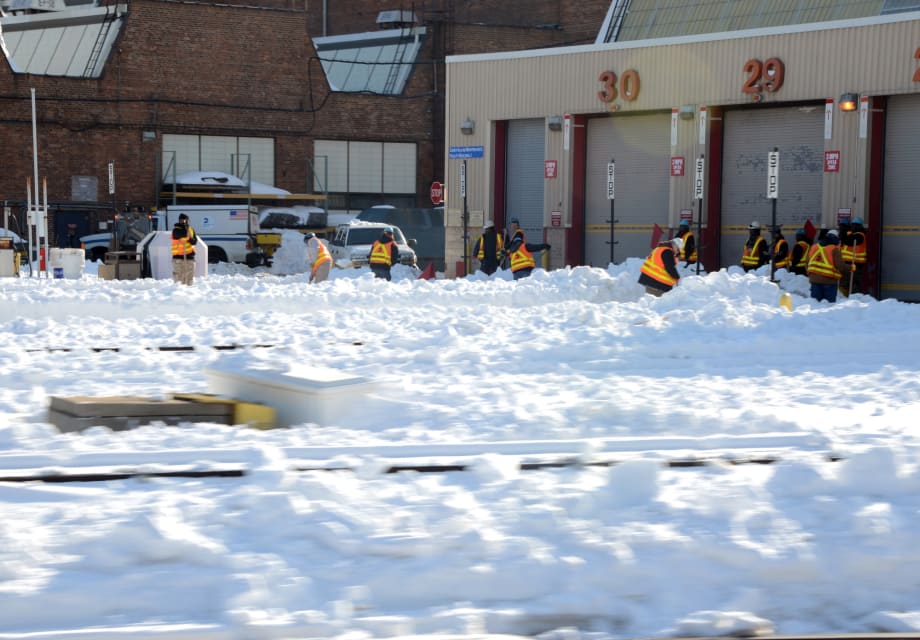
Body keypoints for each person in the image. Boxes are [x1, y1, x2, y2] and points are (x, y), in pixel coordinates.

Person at [806, 228, 846, 303]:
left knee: (815, 304)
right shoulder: (834, 249)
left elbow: (807, 263)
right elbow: (841, 267)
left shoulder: (814, 247)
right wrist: (849, 268)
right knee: (829, 306)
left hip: (814, 280)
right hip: (829, 282)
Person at [840, 216, 867, 296]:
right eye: (852, 225)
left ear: (859, 226)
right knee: (848, 282)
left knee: (852, 283)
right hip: (849, 263)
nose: (853, 227)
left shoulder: (860, 235)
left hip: (855, 264)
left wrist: (843, 230)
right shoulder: (853, 234)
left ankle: (854, 299)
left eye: (855, 225)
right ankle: (847, 297)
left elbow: (848, 241)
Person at [171, 213, 197, 286]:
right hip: (178, 258)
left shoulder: (191, 229)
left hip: (189, 257)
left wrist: (190, 239)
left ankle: (188, 293)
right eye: (182, 220)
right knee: (179, 279)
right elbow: (183, 234)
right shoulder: (176, 229)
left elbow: (194, 241)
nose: (184, 221)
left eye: (185, 220)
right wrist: (187, 234)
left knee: (189, 278)